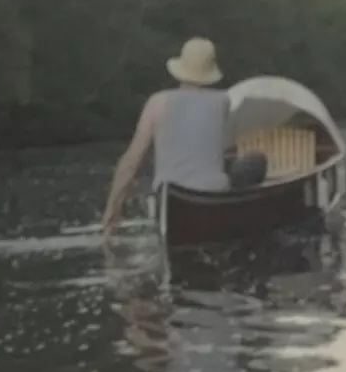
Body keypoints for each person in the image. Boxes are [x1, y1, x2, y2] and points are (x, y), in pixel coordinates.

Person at [101, 37, 269, 234]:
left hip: (170, 194)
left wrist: (113, 208)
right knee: (256, 159)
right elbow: (213, 146)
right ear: (210, 72)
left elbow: (131, 160)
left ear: (180, 69)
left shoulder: (157, 102)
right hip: (212, 193)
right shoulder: (223, 102)